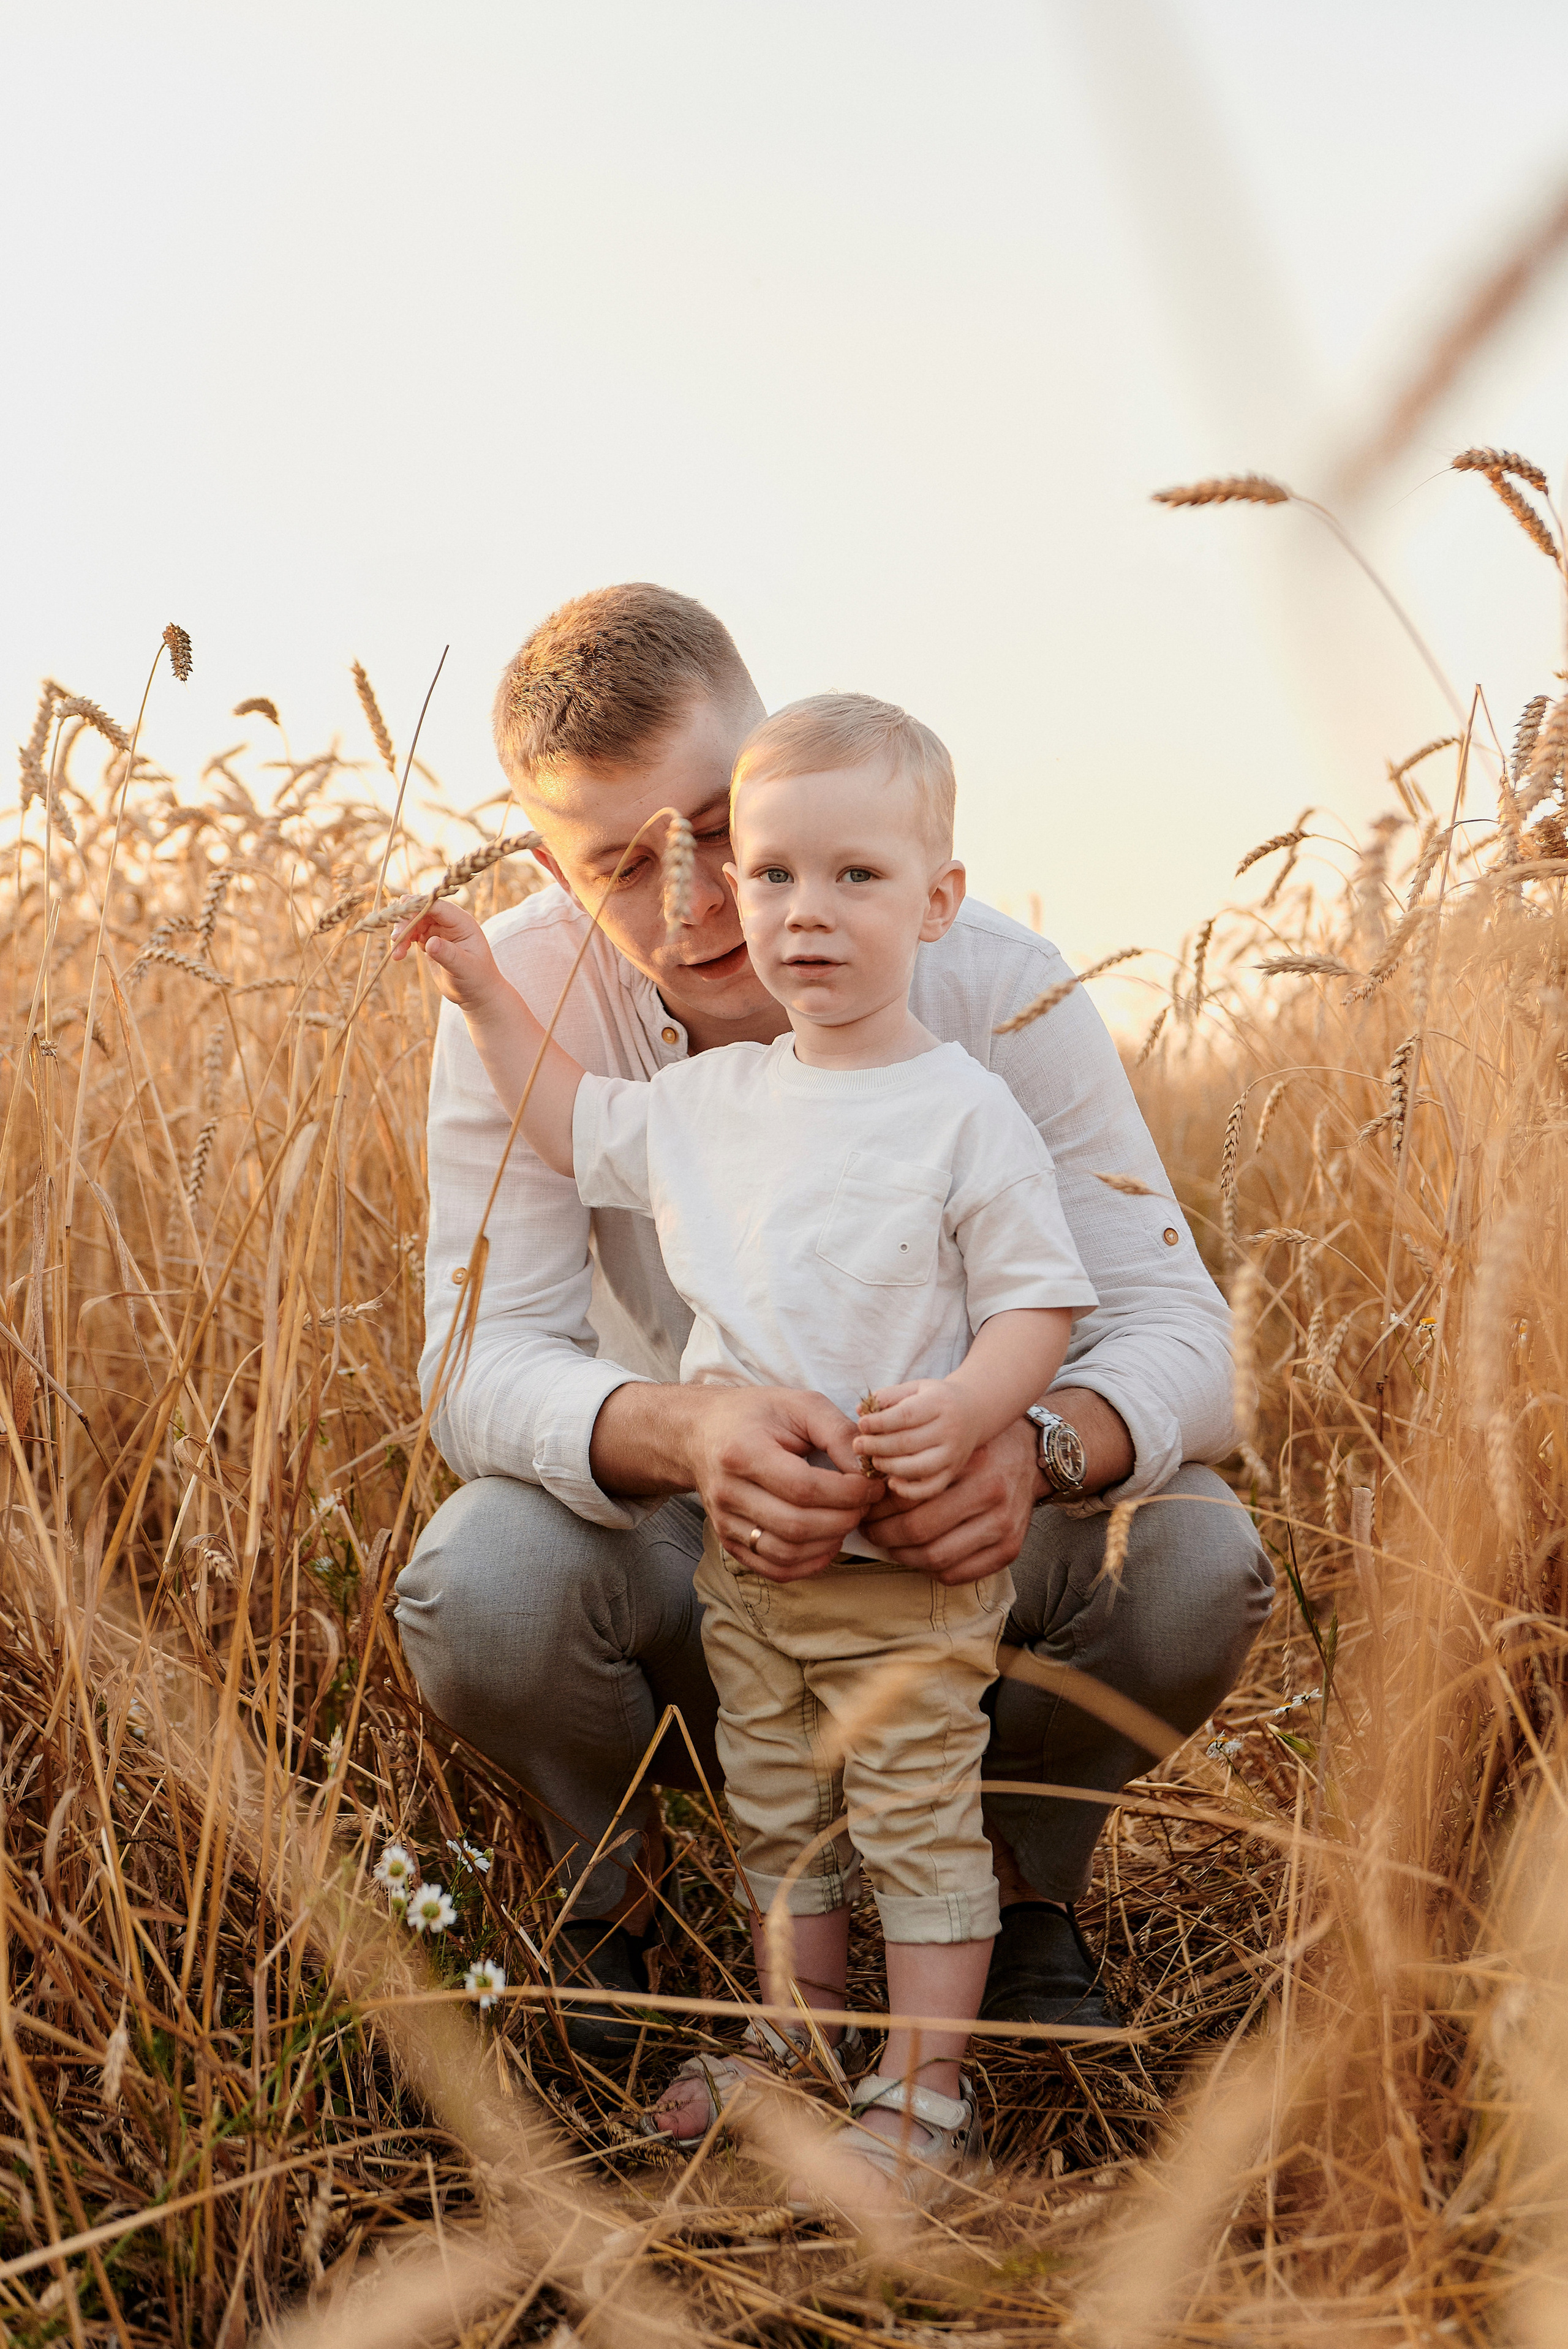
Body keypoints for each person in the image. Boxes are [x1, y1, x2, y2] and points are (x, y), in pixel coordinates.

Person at [393, 583, 1272, 2076]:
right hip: (708, 1541)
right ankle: (621, 1898)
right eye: (619, 865)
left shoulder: (988, 975)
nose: (700, 898)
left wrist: (1038, 1445)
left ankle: (1022, 1882)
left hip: (954, 1523)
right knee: (480, 1582)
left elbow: (1178, 1324)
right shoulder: (520, 997)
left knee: (1193, 1558)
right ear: (545, 865)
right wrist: (683, 1431)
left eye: (720, 825)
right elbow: (474, 1360)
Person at [396, 693, 1101, 2200]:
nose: (790, 913)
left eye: (852, 878)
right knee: (780, 1813)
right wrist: (476, 991)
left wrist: (979, 1415)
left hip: (903, 1563)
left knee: (912, 1812)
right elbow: (566, 1118)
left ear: (939, 900)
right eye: (772, 875)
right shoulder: (707, 1103)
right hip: (753, 1567)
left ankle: (923, 2096)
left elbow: (1044, 1299)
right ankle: (791, 2044)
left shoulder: (961, 1108)